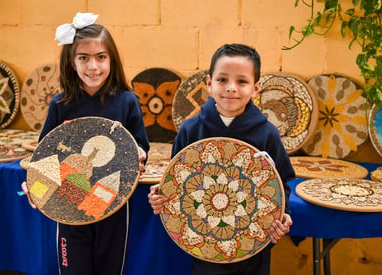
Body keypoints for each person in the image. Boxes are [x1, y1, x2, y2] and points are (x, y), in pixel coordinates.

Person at [148, 43, 295, 275]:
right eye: (223, 80)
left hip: (254, 243)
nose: (231, 88)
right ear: (209, 83)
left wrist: (282, 214)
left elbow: (282, 182)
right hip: (205, 244)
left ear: (256, 88)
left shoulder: (267, 134)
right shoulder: (190, 130)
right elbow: (176, 181)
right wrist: (161, 199)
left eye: (242, 81)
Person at [22, 12, 149, 275]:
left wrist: (138, 153)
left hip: (113, 203)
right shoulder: (60, 104)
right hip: (69, 204)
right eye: (84, 58)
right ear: (71, 61)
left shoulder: (127, 101)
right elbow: (45, 155)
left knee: (109, 268)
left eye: (101, 57)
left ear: (111, 59)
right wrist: (34, 183)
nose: (93, 66)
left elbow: (140, 146)